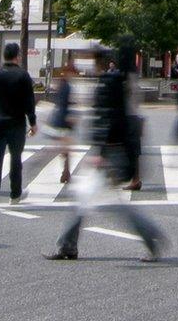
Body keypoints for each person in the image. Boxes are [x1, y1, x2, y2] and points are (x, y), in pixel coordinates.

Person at [47, 45, 164, 262]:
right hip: (111, 151)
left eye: (86, 58)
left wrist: (99, 152)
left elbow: (108, 120)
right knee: (84, 198)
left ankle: (150, 237)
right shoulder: (112, 81)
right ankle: (67, 246)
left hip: (110, 153)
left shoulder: (108, 83)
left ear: (95, 60)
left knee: (108, 204)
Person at [0, 42, 37, 210]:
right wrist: (33, 122)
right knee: (16, 159)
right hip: (17, 123)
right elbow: (29, 102)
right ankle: (15, 195)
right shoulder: (23, 75)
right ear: (17, 56)